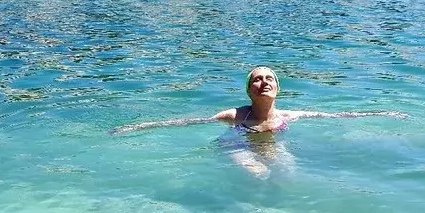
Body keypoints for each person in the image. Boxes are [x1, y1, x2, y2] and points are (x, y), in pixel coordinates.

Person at [110, 66, 405, 178]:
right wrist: (136, 127)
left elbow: (338, 116)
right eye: (256, 79)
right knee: (259, 174)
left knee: (289, 173)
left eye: (269, 78)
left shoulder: (289, 116)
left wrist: (384, 114)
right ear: (248, 89)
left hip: (272, 143)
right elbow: (186, 123)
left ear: (278, 87)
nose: (263, 82)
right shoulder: (234, 115)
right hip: (235, 144)